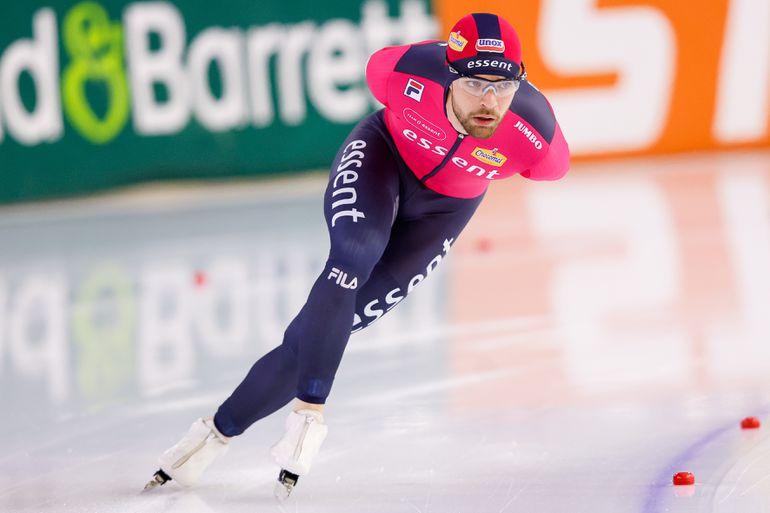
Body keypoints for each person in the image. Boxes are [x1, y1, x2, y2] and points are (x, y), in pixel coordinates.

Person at [143, 12, 570, 499]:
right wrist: (311, 402)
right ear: (450, 72)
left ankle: (209, 439)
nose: (489, 101)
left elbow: (551, 170)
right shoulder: (407, 71)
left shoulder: (537, 134)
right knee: (353, 254)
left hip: (444, 212)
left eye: (503, 84)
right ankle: (310, 414)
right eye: (474, 82)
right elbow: (377, 70)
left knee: (319, 333)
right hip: (383, 157)